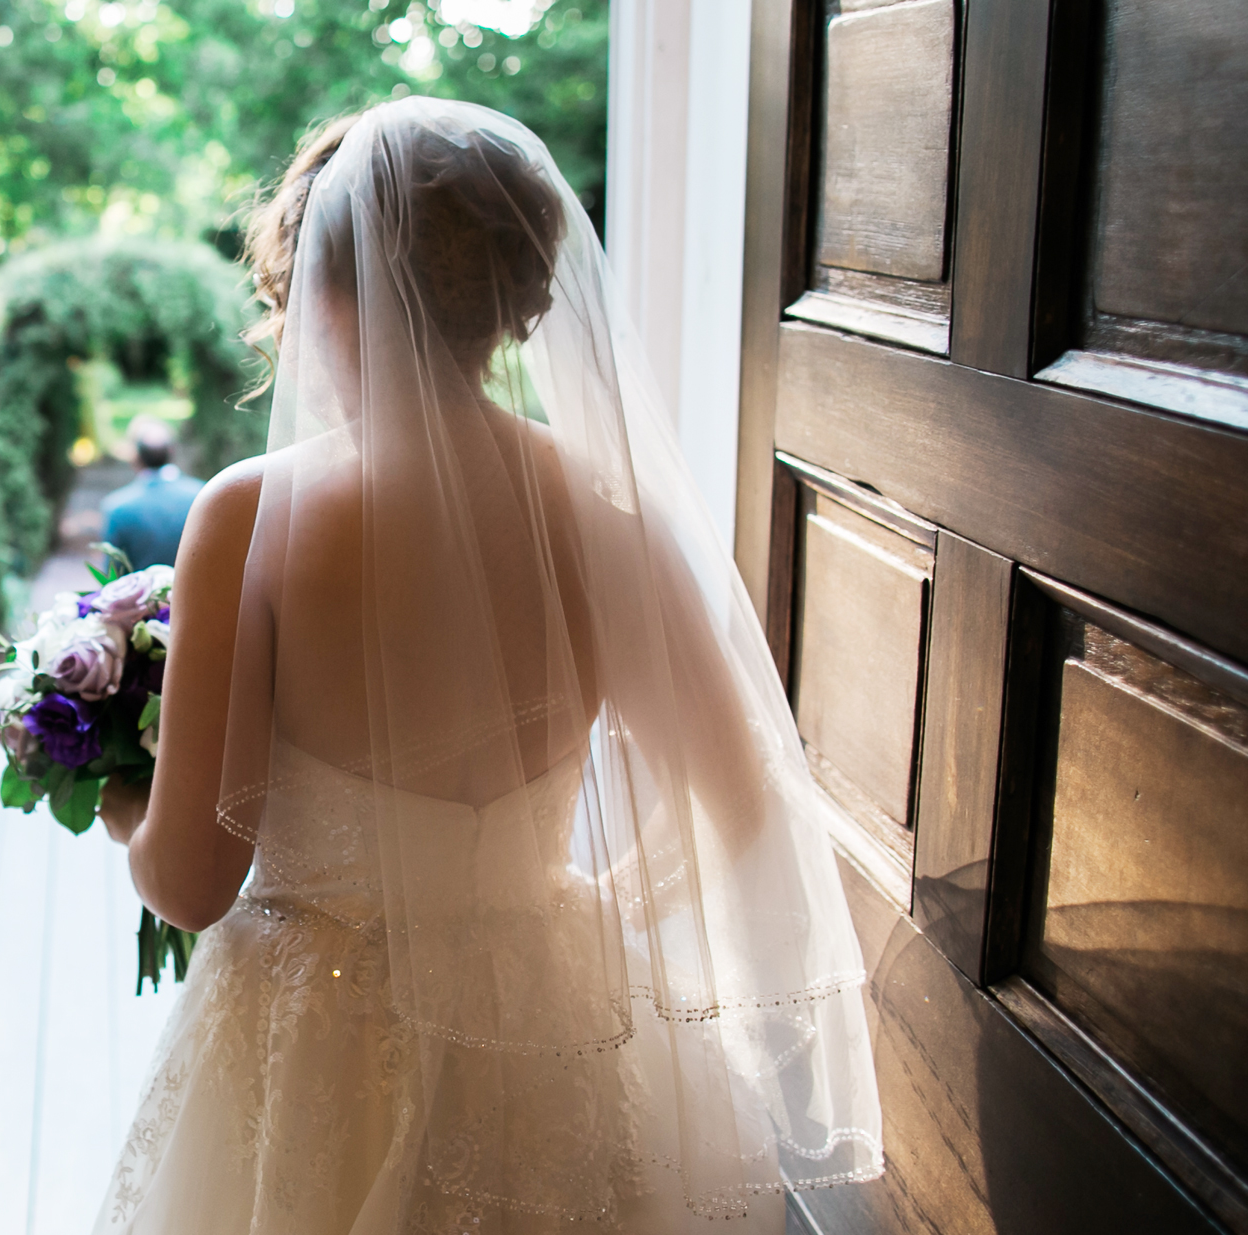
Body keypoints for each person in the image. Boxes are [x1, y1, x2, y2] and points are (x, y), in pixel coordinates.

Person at [94, 98, 881, 1234]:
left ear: (323, 286)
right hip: (546, 1020)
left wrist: (130, 803)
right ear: (516, 302)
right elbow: (745, 804)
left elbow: (190, 882)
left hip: (314, 1048)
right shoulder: (612, 524)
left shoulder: (251, 516)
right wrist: (563, 907)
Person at [99, 417, 205, 569]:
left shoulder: (116, 507)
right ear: (171, 451)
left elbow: (112, 575)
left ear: (136, 456)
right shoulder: (203, 495)